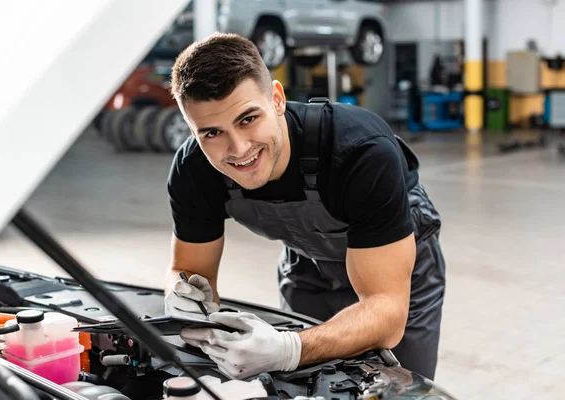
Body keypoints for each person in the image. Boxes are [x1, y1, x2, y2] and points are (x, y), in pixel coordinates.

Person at [163, 32, 446, 381]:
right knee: (305, 384)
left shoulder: (360, 153)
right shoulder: (194, 169)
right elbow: (190, 272)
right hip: (308, 261)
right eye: (211, 133)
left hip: (399, 264)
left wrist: (288, 349)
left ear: (277, 99)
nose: (237, 149)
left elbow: (386, 313)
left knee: (398, 384)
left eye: (248, 119)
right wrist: (183, 298)